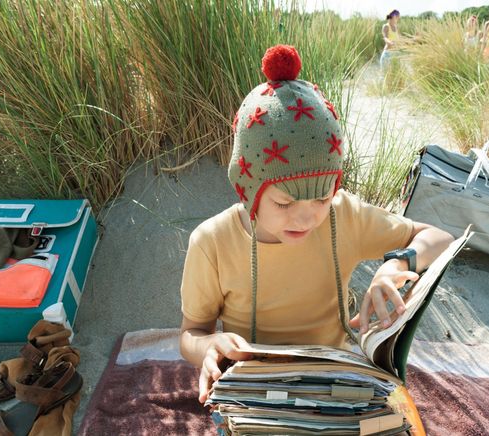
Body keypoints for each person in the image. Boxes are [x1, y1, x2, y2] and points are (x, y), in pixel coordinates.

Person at [178, 45, 454, 403]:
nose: (307, 217)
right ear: (248, 190)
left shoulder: (344, 215)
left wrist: (396, 263)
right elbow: (191, 334)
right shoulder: (212, 242)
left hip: (333, 380)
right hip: (254, 391)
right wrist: (208, 346)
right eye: (284, 202)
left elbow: (441, 239)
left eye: (321, 197)